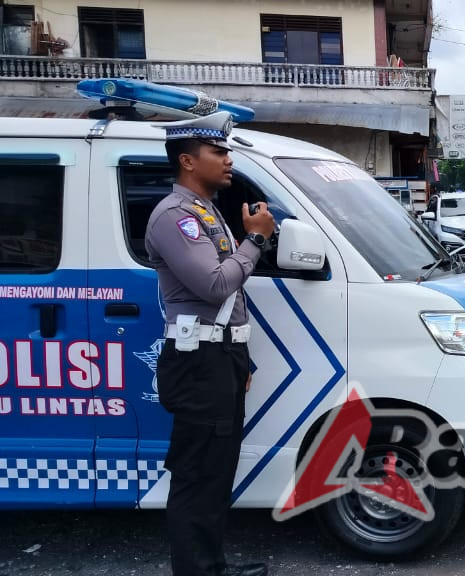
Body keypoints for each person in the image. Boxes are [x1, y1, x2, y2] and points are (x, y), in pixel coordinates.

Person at [144, 111, 275, 576]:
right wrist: (255, 240)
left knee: (216, 471)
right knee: (198, 472)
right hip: (198, 360)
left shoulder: (205, 211)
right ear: (187, 160)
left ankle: (210, 566)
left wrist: (240, 356)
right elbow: (216, 285)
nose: (227, 159)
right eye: (217, 151)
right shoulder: (175, 216)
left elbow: (228, 299)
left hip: (218, 356)